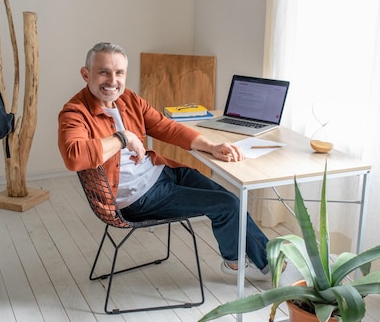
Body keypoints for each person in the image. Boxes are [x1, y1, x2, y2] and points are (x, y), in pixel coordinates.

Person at [58, 42, 272, 281]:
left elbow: (165, 127)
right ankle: (254, 265)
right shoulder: (75, 112)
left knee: (230, 199)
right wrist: (124, 137)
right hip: (138, 198)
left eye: (119, 73)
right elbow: (74, 156)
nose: (112, 80)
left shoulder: (128, 99)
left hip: (163, 173)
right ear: (85, 74)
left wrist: (212, 146)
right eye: (103, 72)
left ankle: (266, 258)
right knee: (227, 204)